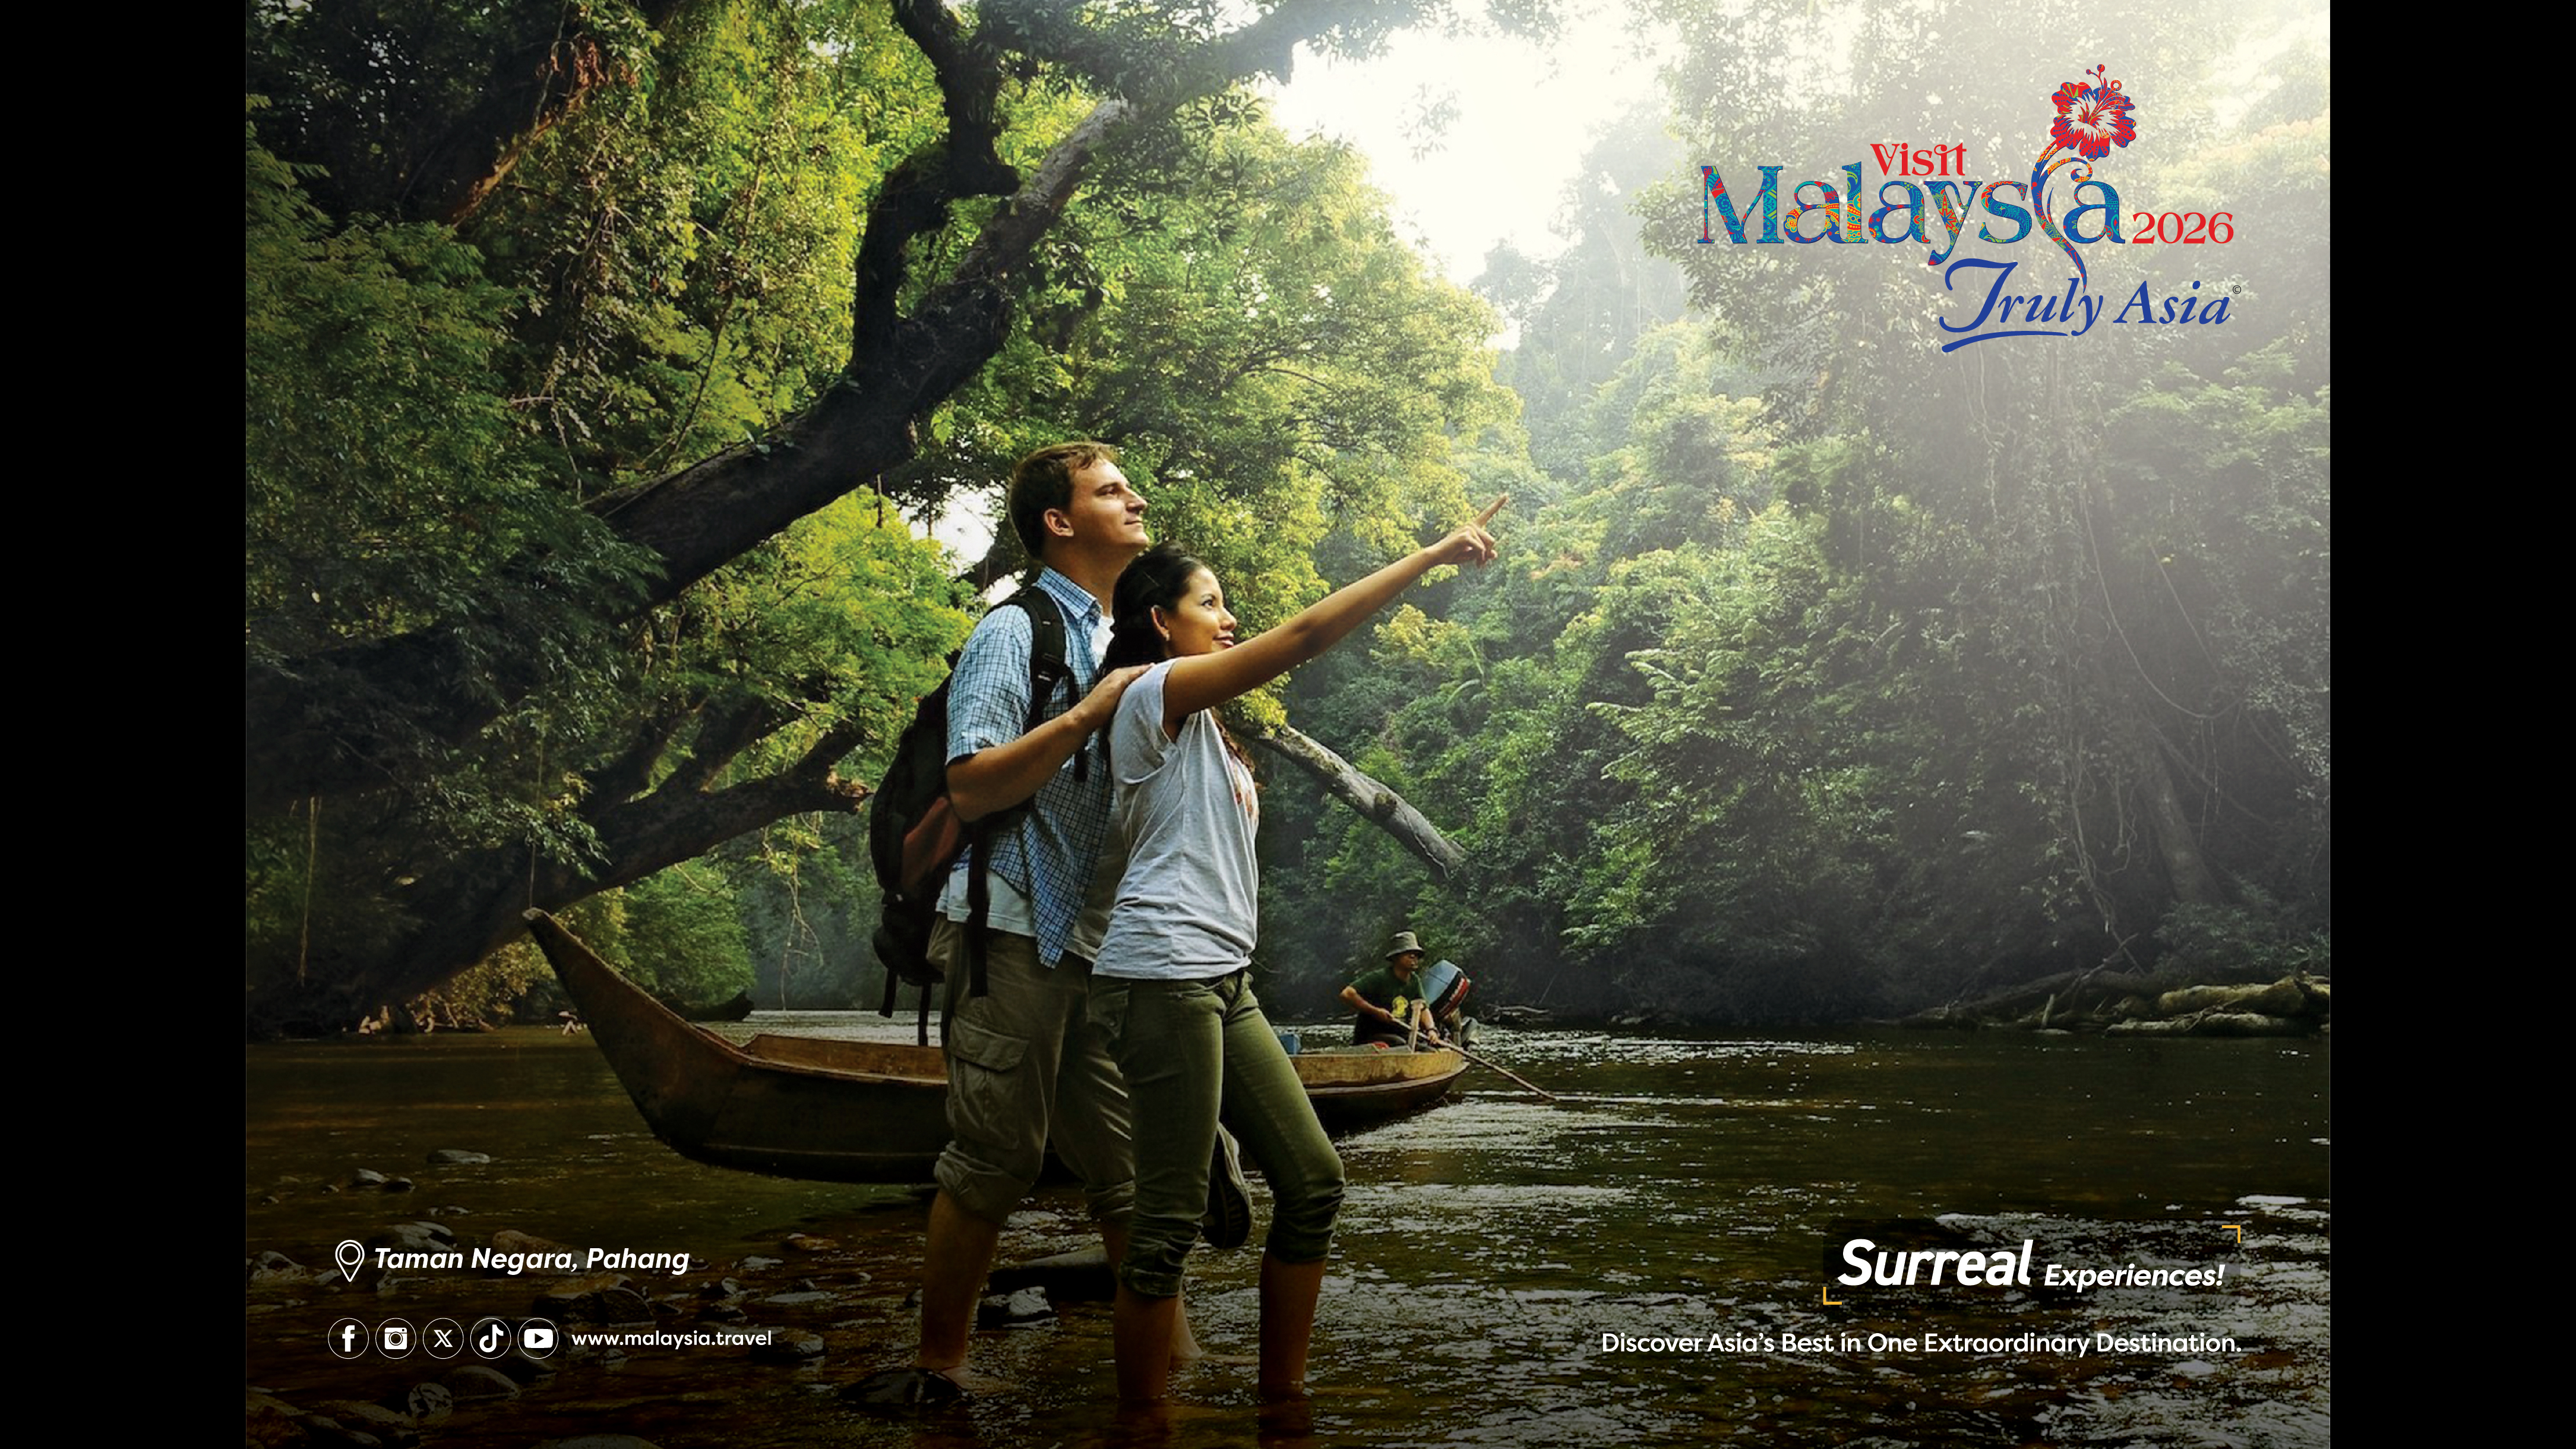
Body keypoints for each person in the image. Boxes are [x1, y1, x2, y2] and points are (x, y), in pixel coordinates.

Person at [1088, 498, 1503, 1406]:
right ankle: (1140, 1427)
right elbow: (1309, 633)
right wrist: (1428, 555)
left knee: (1312, 1181)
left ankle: (1283, 1403)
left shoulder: (1210, 728)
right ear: (1161, 621)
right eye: (1211, 603)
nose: (1228, 617)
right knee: (1163, 1225)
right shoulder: (1152, 694)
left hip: (1220, 983)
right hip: (1160, 978)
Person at [851, 441, 1187, 1408]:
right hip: (1007, 926)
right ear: (1058, 520)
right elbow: (971, 779)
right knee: (994, 1156)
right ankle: (939, 1365)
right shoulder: (1014, 630)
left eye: (1130, 483)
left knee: (1128, 1173)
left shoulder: (1132, 633)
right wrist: (1088, 712)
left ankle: (1175, 1368)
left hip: (1094, 940)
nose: (1135, 496)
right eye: (1111, 488)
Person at [1341, 932, 1448, 1047]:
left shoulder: (1414, 981)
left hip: (1400, 1035)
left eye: (1416, 954)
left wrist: (1431, 1029)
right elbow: (1347, 994)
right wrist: (1375, 1012)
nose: (1414, 957)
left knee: (1427, 1049)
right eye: (1409, 954)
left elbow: (1423, 1008)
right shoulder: (1379, 978)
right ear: (1396, 957)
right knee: (1399, 1044)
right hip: (1372, 1036)